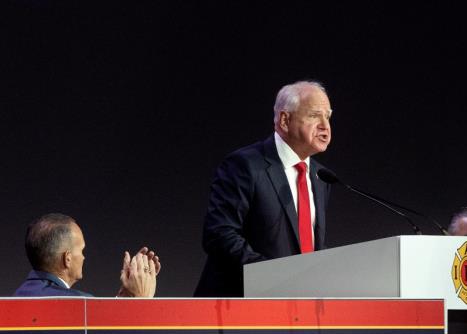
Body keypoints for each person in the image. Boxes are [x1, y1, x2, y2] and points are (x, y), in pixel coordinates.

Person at [194, 80, 333, 297]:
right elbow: (219, 235)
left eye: (328, 116)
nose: (325, 125)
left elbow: (311, 248)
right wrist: (273, 276)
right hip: (239, 308)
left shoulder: (320, 177)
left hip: (296, 310)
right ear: (285, 120)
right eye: (315, 116)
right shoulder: (245, 165)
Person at [14, 213, 161, 297]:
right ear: (68, 258)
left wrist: (125, 297)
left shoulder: (16, 298)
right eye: (82, 250)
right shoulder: (79, 306)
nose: (84, 257)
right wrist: (141, 300)